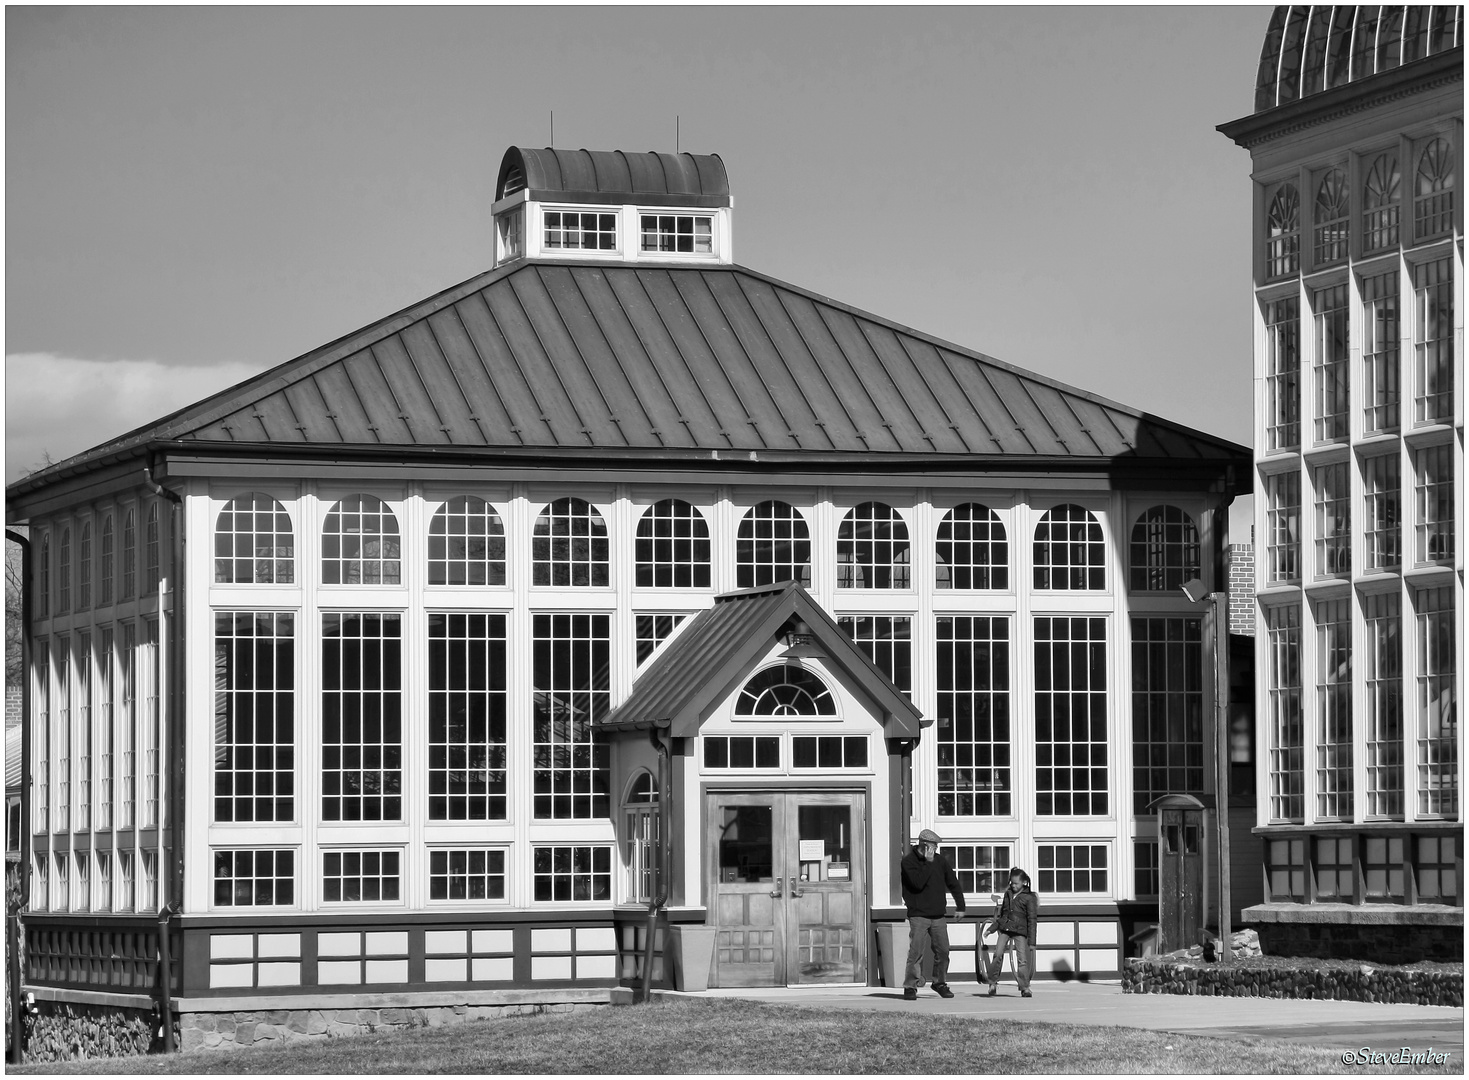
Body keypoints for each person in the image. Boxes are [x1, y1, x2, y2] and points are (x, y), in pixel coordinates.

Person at [899, 829, 967, 1000]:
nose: (935, 850)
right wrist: (928, 863)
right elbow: (917, 884)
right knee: (916, 953)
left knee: (943, 951)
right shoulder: (909, 862)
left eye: (936, 847)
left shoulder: (940, 861)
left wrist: (961, 906)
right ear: (924, 845)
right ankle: (910, 987)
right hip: (918, 915)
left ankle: (939, 983)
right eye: (933, 846)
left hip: (938, 915)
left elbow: (953, 883)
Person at [985, 866, 1038, 998]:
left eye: (1016, 883)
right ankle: (992, 982)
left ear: (1023, 883)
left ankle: (1025, 987)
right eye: (1011, 883)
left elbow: (1032, 920)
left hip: (1020, 931)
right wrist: (992, 929)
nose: (1013, 886)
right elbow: (1003, 915)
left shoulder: (1029, 898)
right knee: (997, 954)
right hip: (1005, 929)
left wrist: (1032, 941)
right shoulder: (1008, 894)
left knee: (1022, 960)